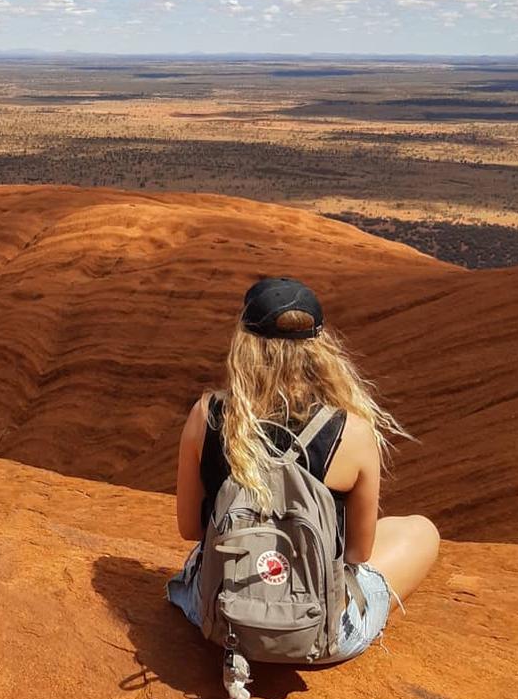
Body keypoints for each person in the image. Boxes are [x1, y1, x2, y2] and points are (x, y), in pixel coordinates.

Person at [167, 277, 439, 665]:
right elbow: (359, 553)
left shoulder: (207, 415)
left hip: (220, 620)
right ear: (322, 348)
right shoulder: (353, 432)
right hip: (320, 634)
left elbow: (190, 530)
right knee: (420, 531)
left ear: (243, 342)